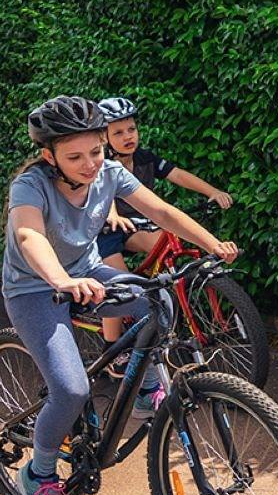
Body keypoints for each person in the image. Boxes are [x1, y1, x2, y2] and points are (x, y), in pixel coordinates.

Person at [2, 96, 238, 495]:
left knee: (159, 300)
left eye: (96, 151)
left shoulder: (110, 173)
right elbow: (30, 234)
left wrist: (211, 244)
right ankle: (40, 472)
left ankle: (147, 387)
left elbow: (161, 211)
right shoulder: (30, 186)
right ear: (48, 156)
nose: (90, 163)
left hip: (87, 272)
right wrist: (61, 280)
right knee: (71, 390)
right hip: (35, 287)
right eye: (75, 156)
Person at [93, 95, 233, 345]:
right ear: (104, 138)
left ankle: (161, 300)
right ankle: (112, 346)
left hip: (137, 226)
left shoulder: (145, 158)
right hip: (107, 232)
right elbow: (105, 193)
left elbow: (177, 174)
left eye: (131, 129)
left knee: (168, 246)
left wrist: (212, 191)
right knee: (119, 285)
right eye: (119, 133)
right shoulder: (101, 164)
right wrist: (112, 214)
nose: (128, 137)